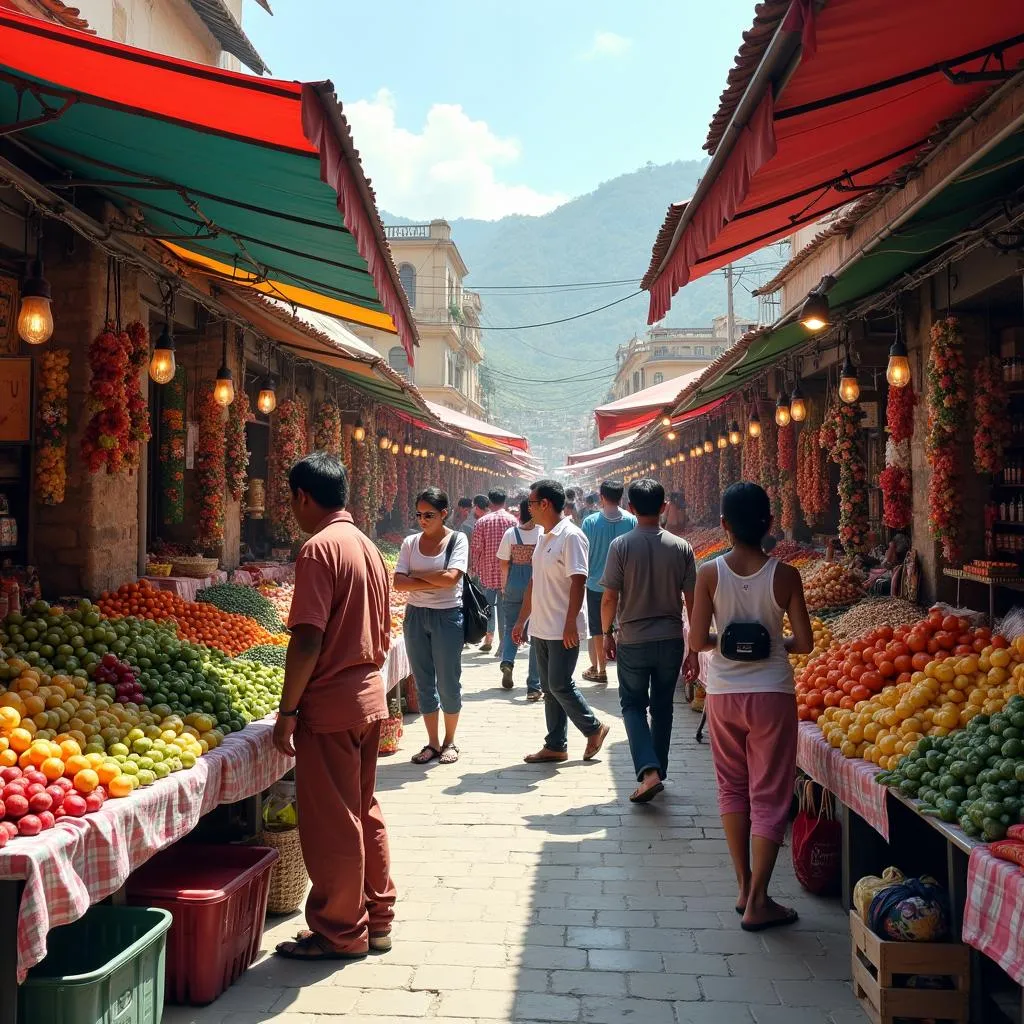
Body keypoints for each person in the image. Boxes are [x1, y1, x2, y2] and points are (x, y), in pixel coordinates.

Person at [272, 452, 395, 961]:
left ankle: (340, 930)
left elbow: (306, 640)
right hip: (369, 697)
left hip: (331, 704)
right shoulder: (365, 546)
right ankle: (377, 918)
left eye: (292, 500)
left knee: (332, 821)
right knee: (363, 808)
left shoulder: (319, 549)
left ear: (304, 496)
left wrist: (288, 710)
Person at [684, 481, 813, 933]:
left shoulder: (709, 574)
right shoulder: (786, 575)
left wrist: (731, 641)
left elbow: (699, 641)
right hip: (773, 694)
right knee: (770, 795)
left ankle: (744, 888)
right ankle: (759, 898)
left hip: (723, 694)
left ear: (724, 525)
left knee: (732, 789)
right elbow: (805, 643)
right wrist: (768, 641)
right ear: (769, 524)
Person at [600, 478, 695, 803]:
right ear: (664, 506)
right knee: (663, 707)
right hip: (670, 639)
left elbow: (609, 596)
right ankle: (658, 770)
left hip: (633, 640)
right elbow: (693, 603)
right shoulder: (682, 547)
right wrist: (694, 649)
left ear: (631, 509)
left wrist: (606, 634)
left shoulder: (621, 546)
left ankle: (648, 770)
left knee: (632, 705)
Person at [512, 479, 610, 764]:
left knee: (559, 684)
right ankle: (555, 744)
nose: (528, 508)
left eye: (531, 502)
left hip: (562, 626)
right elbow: (534, 582)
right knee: (549, 687)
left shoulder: (571, 536)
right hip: (542, 625)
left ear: (544, 504)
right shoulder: (543, 536)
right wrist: (522, 620)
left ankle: (593, 727)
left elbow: (578, 580)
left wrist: (570, 622)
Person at [394, 488, 469, 766]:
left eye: (429, 515)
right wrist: (433, 578)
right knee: (424, 682)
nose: (423, 520)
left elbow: (451, 579)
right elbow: (398, 582)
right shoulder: (410, 543)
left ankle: (450, 741)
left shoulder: (457, 540)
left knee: (448, 682)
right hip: (415, 616)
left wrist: (416, 575)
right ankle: (432, 743)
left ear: (444, 514)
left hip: (447, 616)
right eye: (419, 514)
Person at [580, 480, 636, 683]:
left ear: (602, 496)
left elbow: (583, 553)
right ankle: (627, 669)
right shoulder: (631, 521)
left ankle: (600, 669)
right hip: (625, 585)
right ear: (621, 497)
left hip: (596, 583)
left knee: (597, 628)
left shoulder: (590, 522)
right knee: (624, 625)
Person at [496, 497, 543, 698]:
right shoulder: (543, 533)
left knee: (510, 626)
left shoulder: (511, 533)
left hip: (514, 582)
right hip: (536, 585)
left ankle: (508, 660)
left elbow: (504, 563)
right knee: (536, 634)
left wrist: (505, 585)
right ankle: (533, 684)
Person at [470, 489, 517, 656]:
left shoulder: (482, 522)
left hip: (487, 574)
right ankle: (503, 646)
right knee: (505, 611)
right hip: (508, 575)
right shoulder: (513, 521)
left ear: (490, 503)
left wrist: (474, 568)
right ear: (505, 502)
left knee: (487, 608)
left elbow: (476, 548)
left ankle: (488, 638)